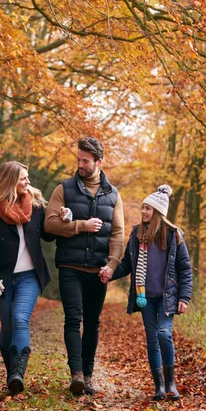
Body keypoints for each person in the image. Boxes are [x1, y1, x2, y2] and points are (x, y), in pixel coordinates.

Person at [44, 137, 124, 395]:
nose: (80, 164)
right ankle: (76, 373)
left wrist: (112, 264)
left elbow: (118, 234)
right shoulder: (64, 189)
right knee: (73, 318)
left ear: (98, 162)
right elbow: (50, 225)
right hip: (70, 267)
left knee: (92, 323)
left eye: (85, 161)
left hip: (98, 270)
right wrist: (81, 225)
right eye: (78, 159)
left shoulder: (113, 194)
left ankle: (88, 375)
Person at [109, 185, 193, 401]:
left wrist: (184, 297)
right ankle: (159, 387)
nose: (143, 212)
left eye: (147, 208)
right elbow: (128, 263)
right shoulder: (138, 235)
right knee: (152, 339)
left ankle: (171, 383)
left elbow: (185, 268)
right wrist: (109, 273)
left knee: (164, 333)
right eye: (142, 208)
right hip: (145, 298)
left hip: (167, 298)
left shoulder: (174, 236)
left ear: (158, 212)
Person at [0, 161, 54, 395]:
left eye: (28, 177)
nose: (28, 182)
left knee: (20, 318)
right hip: (2, 277)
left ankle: (17, 374)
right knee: (8, 324)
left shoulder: (36, 205)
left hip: (30, 276)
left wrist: (63, 216)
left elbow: (49, 235)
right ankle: (12, 371)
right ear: (10, 180)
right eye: (23, 178)